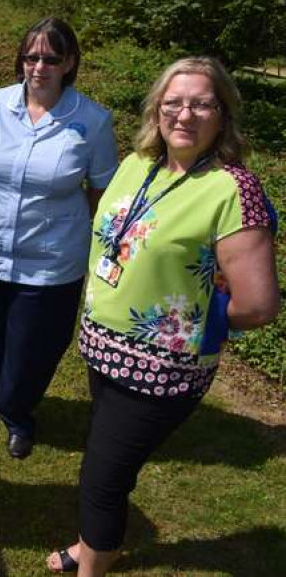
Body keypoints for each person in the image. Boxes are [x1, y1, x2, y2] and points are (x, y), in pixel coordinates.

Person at [46, 57, 279, 575]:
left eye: (201, 104)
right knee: (109, 464)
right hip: (104, 348)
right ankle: (93, 545)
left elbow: (258, 303)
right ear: (157, 109)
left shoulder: (232, 190)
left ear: (223, 115)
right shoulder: (138, 163)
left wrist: (196, 329)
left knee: (101, 478)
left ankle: (92, 565)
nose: (185, 114)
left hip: (162, 368)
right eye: (173, 102)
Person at [0, 17, 118, 459]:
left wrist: (57, 223)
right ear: (20, 60)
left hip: (50, 258)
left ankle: (18, 412)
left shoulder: (93, 121)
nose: (39, 66)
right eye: (31, 56)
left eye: (50, 57)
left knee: (34, 343)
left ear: (69, 62)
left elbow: (100, 190)